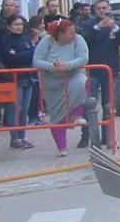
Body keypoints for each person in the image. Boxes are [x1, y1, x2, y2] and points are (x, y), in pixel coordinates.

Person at [32, 19, 89, 157]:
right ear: (60, 34)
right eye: (70, 33)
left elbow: (83, 58)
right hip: (52, 83)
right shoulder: (46, 41)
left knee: (81, 83)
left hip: (73, 74)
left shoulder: (78, 39)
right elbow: (37, 60)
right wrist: (51, 66)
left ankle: (77, 114)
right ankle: (62, 148)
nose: (73, 35)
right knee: (57, 114)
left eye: (74, 32)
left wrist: (68, 65)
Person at [81, 0, 120, 148]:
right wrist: (97, 27)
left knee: (108, 105)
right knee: (90, 104)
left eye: (104, 8)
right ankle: (86, 136)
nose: (102, 11)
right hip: (93, 70)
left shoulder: (115, 23)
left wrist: (115, 28)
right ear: (95, 10)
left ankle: (107, 137)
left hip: (110, 70)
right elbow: (85, 41)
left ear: (109, 8)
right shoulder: (89, 24)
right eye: (99, 8)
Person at [0, 14, 36, 149]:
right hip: (14, 78)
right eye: (16, 25)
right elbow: (10, 58)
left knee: (24, 110)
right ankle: (15, 138)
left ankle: (23, 135)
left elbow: (33, 53)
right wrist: (25, 54)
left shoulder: (25, 38)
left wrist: (22, 54)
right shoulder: (5, 40)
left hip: (28, 77)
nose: (19, 27)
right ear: (9, 26)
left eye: (21, 24)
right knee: (15, 109)